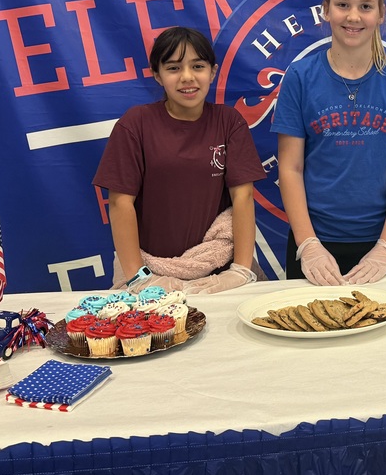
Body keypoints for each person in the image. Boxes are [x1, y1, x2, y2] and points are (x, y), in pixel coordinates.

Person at [272, 0, 386, 285]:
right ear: (326, 10)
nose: (354, 16)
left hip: (376, 247)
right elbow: (290, 168)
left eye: (365, 6)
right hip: (312, 242)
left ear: (381, 12)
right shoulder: (300, 78)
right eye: (343, 4)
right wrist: (308, 244)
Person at [94, 26, 267, 292]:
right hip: (153, 273)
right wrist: (138, 277)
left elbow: (243, 197)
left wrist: (241, 271)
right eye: (174, 68)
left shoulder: (229, 122)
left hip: (216, 273)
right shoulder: (135, 124)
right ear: (157, 75)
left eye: (197, 66)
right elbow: (120, 204)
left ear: (213, 71)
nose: (187, 77)